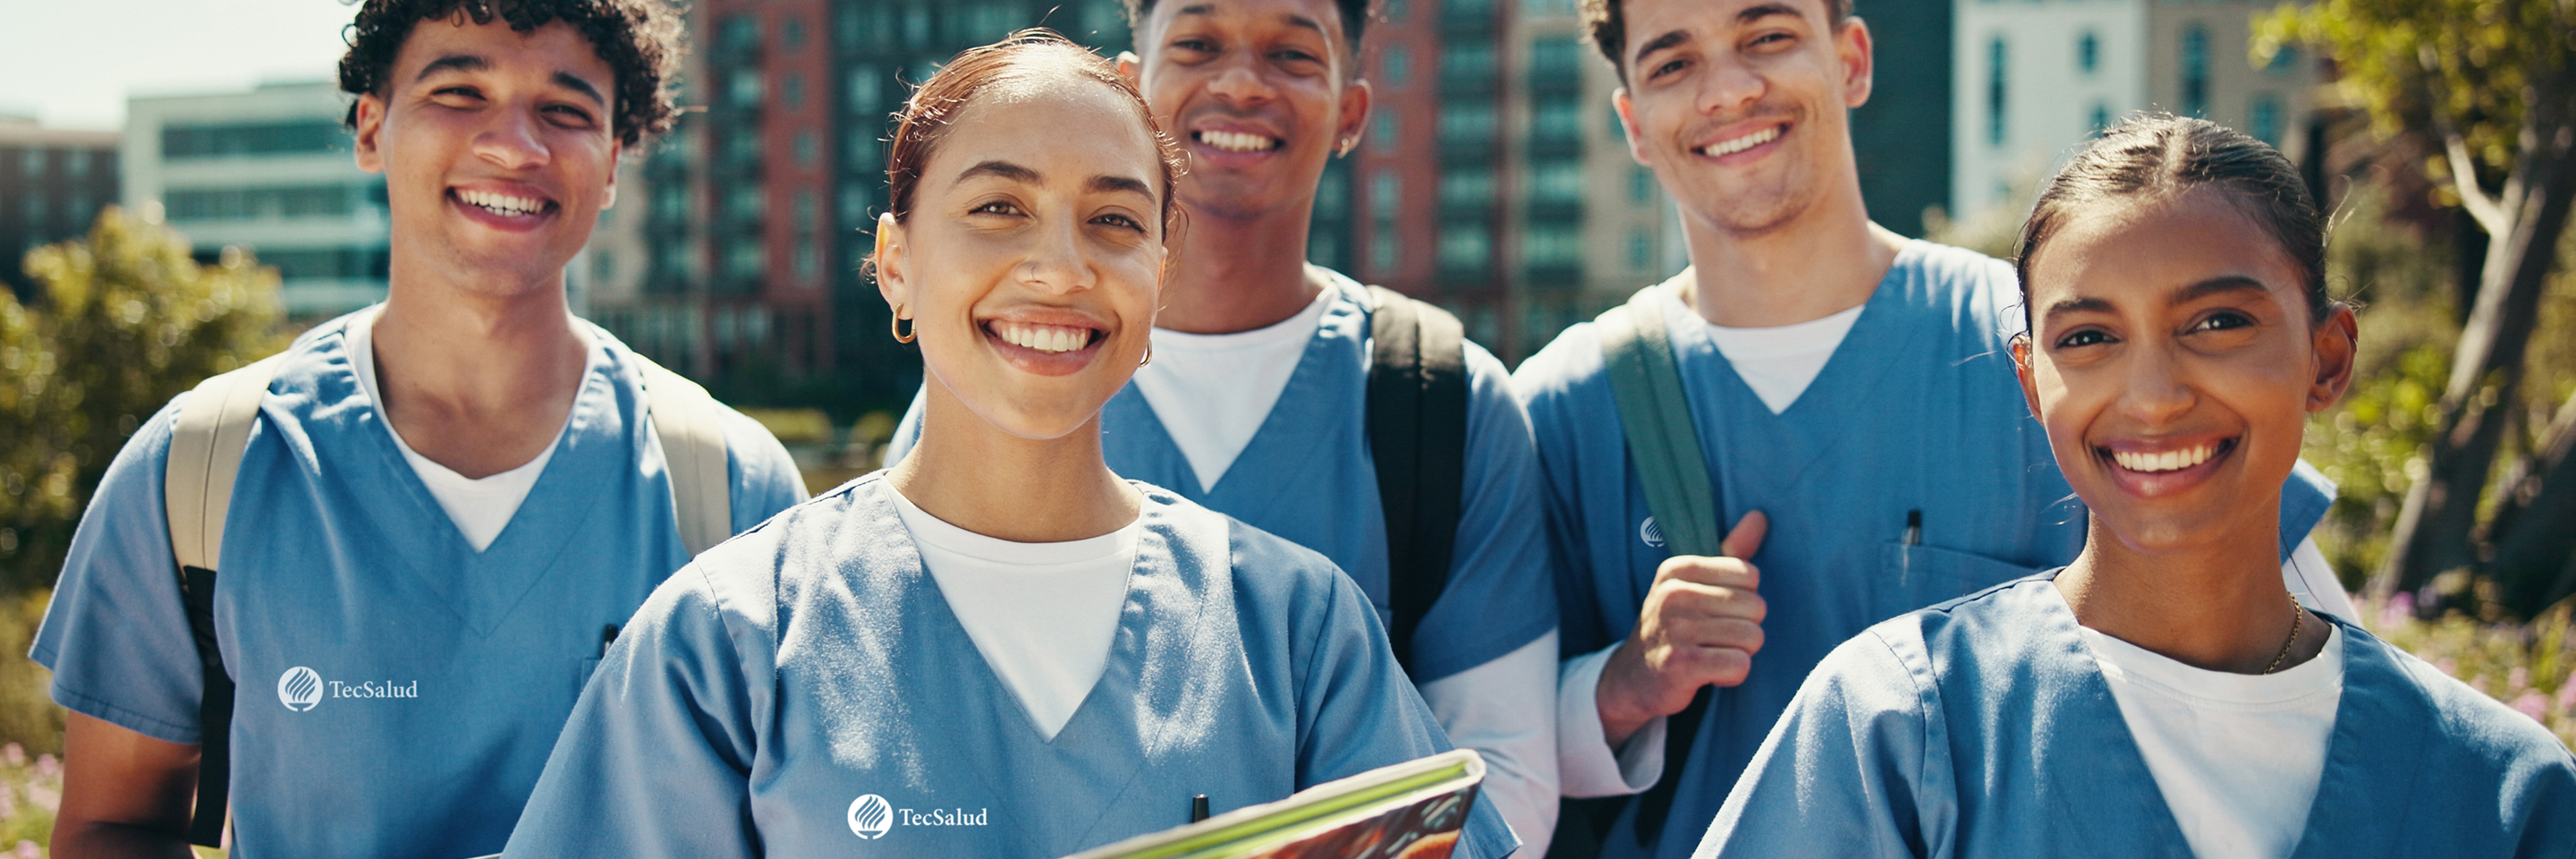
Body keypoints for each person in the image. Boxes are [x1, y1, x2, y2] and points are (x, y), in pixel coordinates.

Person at [502, 31, 1515, 858]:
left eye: (1115, 221)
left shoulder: (1297, 633)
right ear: (896, 263)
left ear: (1159, 277)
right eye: (999, 209)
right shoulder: (727, 641)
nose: (1061, 270)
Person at [1508, 3, 2350, 856]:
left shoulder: (2062, 350)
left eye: (1767, 37)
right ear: (1633, 124)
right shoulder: (1555, 408)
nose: (1729, 89)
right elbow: (1485, 750)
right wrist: (1621, 688)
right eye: (1672, 64)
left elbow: (2317, 677)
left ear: (1853, 59)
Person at [32, 1, 808, 856]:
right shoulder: (198, 469)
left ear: (614, 160)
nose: (515, 145)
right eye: (460, 92)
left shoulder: (737, 492)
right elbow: (111, 825)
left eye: (566, 110)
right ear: (372, 129)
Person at [1696, 114, 2576, 858]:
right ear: (2032, 384)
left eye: (2219, 322)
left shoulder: (2501, 794)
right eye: (2087, 338)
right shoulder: (1897, 725)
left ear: (2328, 357)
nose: (2153, 397)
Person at [882, 0, 1564, 849]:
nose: (1241, 83)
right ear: (1132, 94)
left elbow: (1496, 785)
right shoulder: (992, 387)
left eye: (1291, 54)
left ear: (1353, 110)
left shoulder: (1436, 402)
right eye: (1199, 43)